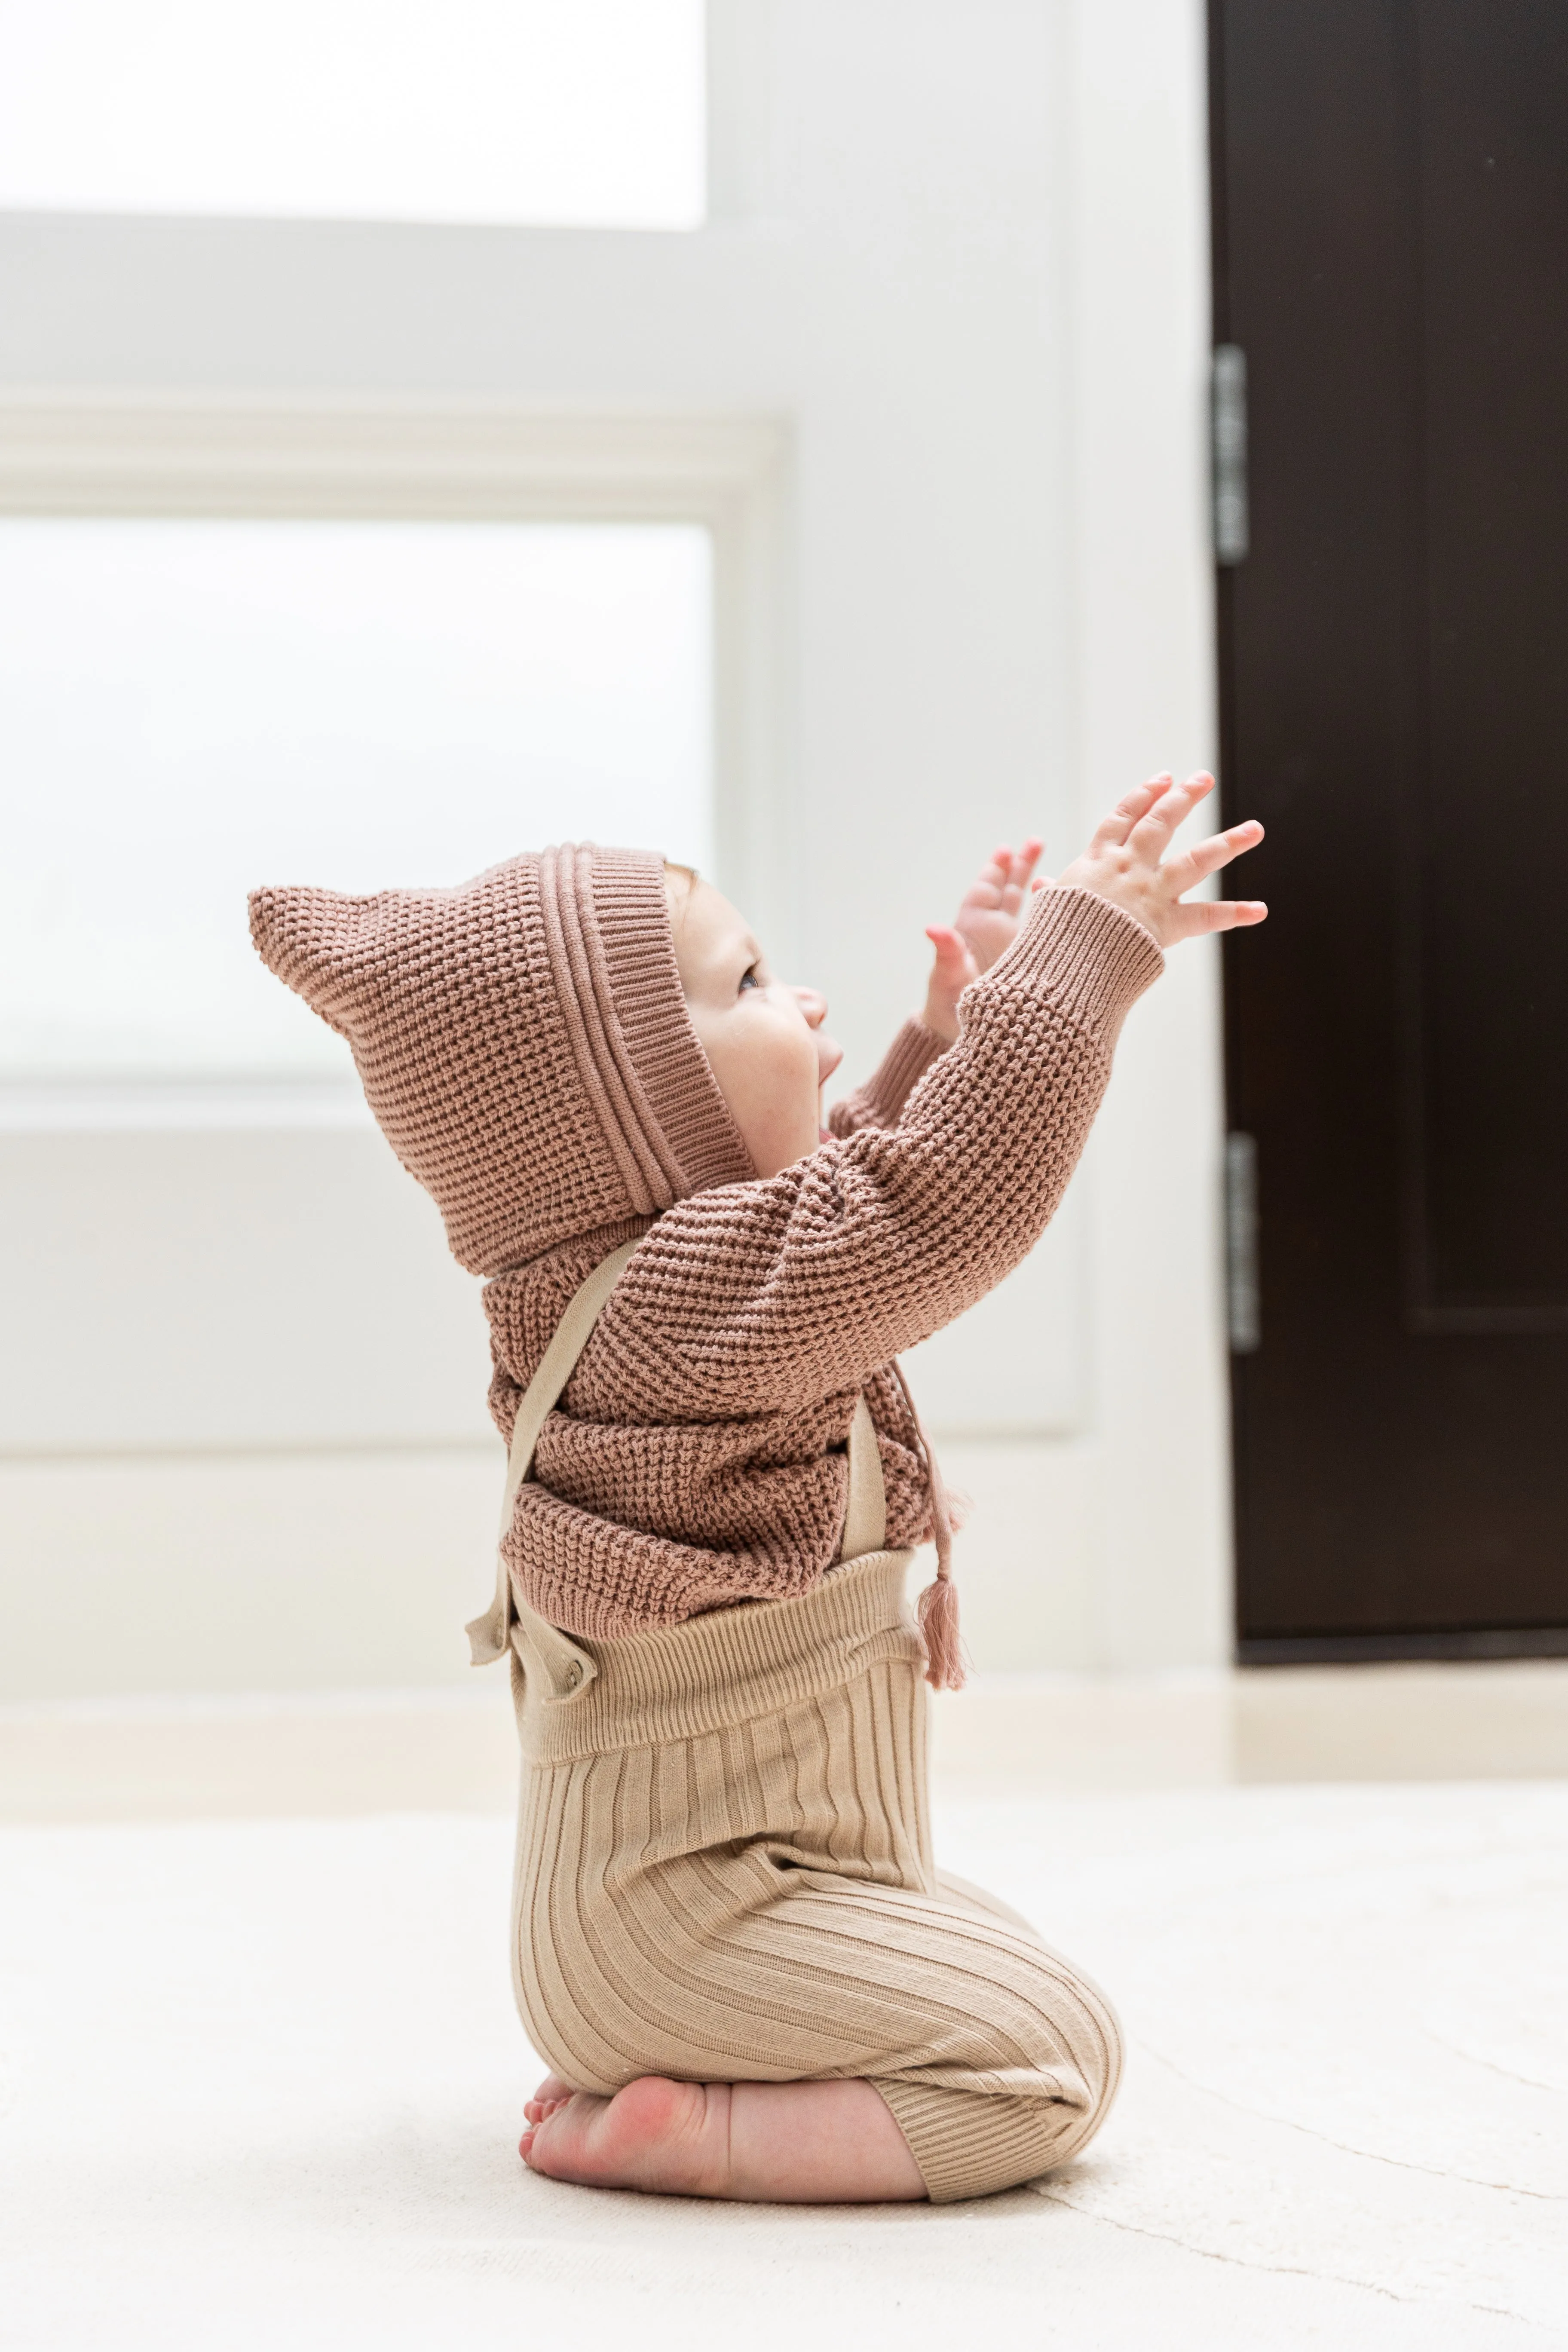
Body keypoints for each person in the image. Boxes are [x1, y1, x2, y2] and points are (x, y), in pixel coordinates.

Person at [250, 769, 1264, 2206]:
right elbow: (922, 1206)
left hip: (727, 1901)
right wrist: (1075, 959)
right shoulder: (679, 1309)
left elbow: (838, 1196)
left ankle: (685, 2059)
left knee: (1003, 1959)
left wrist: (952, 1026)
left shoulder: (653, 1283)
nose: (803, 1008)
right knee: (1052, 2059)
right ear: (628, 1119)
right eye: (749, 983)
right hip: (685, 1928)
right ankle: (706, 2129)